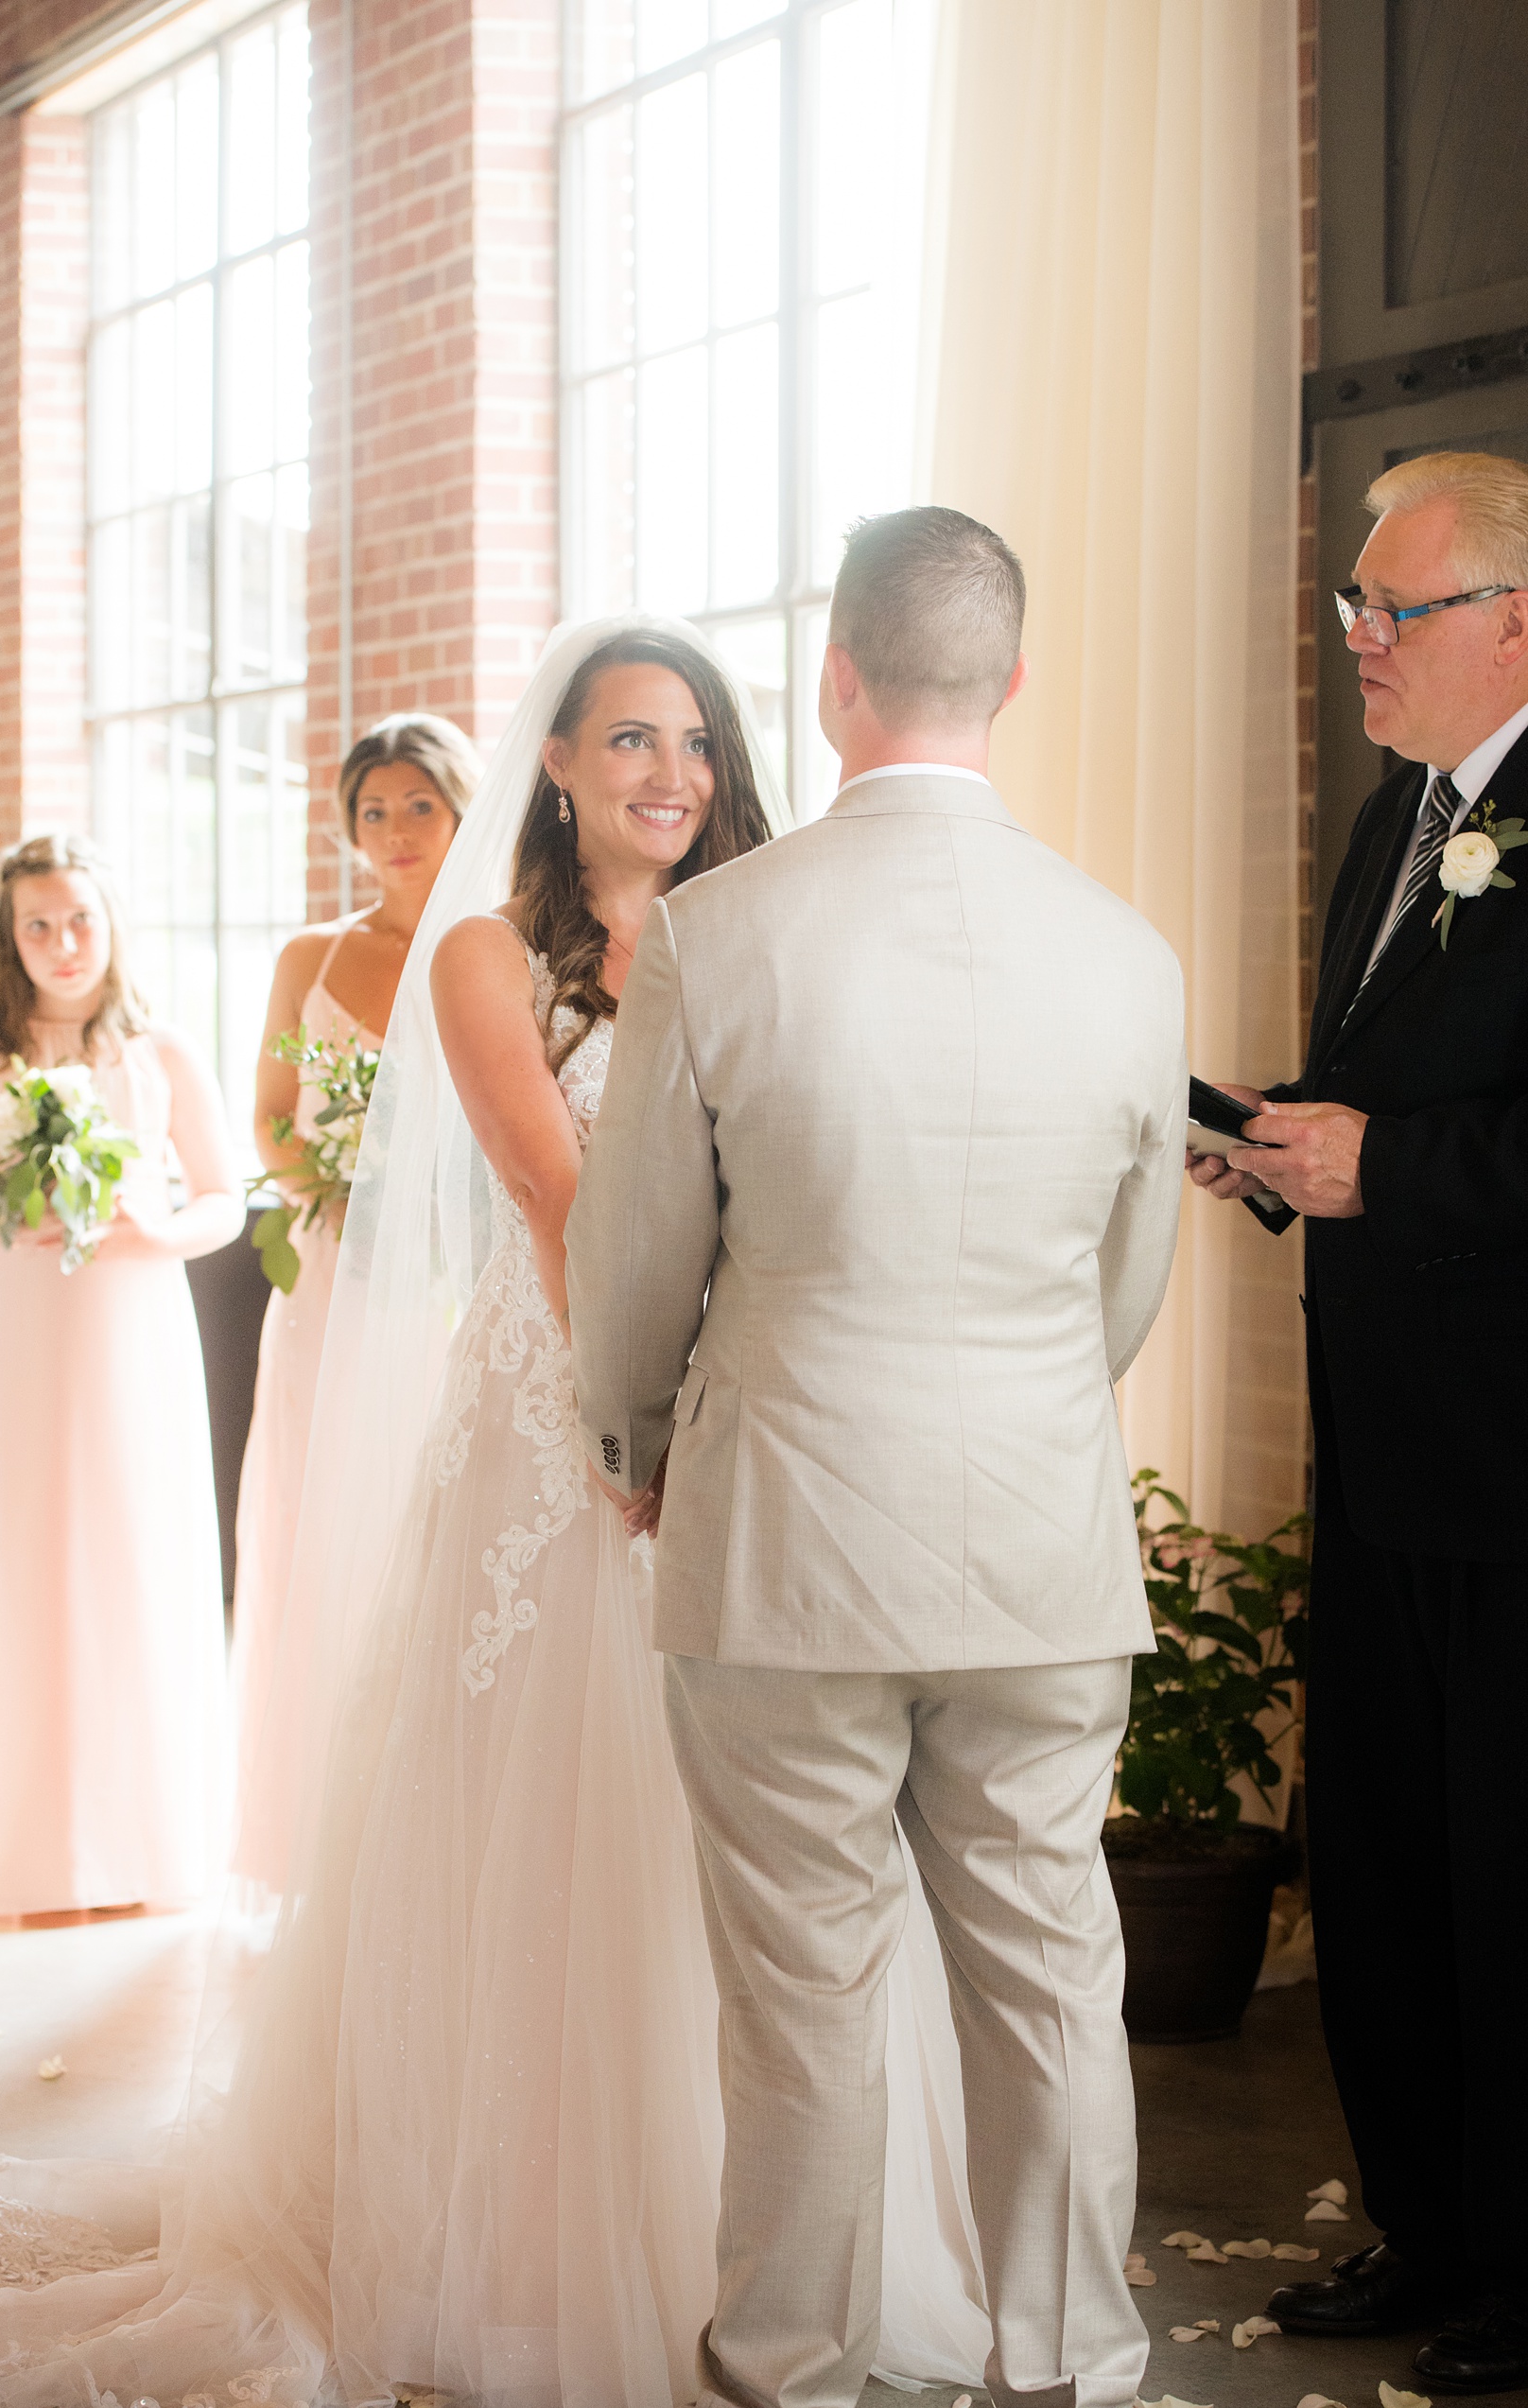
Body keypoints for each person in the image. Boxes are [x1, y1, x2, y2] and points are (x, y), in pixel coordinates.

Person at [0, 618, 996, 2408]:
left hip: (766, 1443)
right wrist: (640, 1434)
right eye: (632, 740)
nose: (670, 775)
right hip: (566, 1441)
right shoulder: (489, 957)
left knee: (758, 1850)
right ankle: (522, 2234)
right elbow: (561, 1197)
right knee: (553, 1814)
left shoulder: (777, 932)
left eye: (701, 745)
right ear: (560, 762)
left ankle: (777, 2237)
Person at [567, 512, 1188, 2408]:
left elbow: (636, 1259)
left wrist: (644, 1437)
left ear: (835, 680)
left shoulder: (718, 935)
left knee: (806, 1997)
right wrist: (1015, 1416)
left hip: (785, 1549)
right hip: (1034, 1548)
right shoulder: (1128, 953)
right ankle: (1068, 2368)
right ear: (1011, 684)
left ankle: (790, 2375)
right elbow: (1127, 1283)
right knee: (1048, 1978)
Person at [1190, 451, 1528, 2396]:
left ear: (1512, 619)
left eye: (1391, 612)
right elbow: (1375, 1081)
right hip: (1378, 1451)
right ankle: (1418, 2224)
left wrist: (1385, 1166)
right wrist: (1276, 1135)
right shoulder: (1390, 824)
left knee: (1504, 1876)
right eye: (1349, 610)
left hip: (1509, 1466)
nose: (1357, 646)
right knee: (1386, 1861)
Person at [0, 832, 242, 1919]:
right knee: (23, 1567)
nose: (64, 944)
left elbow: (224, 1201)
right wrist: (1, 1210)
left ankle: (141, 1841)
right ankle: (26, 1843)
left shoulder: (160, 1051)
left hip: (132, 1326)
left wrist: (154, 1224)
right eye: (39, 925)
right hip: (16, 1333)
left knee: (133, 1562)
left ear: (113, 924)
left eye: (81, 920)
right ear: (10, 938)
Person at [230, 711, 478, 1894]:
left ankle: (439, 1820)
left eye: (415, 806)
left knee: (430, 1522)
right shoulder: (310, 956)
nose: (391, 832)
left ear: (462, 807)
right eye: (370, 811)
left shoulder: (502, 943)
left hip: (454, 1278)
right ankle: (314, 1828)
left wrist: (427, 1207)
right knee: (319, 1523)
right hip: (331, 1274)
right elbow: (272, 1119)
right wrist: (342, 1187)